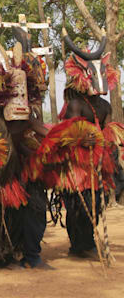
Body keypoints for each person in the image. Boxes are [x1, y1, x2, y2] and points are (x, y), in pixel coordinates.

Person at [37, 31, 120, 259]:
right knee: (77, 205)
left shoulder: (104, 106)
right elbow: (66, 134)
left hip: (95, 164)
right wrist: (82, 139)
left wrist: (103, 143)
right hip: (76, 166)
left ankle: (86, 243)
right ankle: (80, 245)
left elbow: (105, 130)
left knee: (95, 205)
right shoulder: (75, 104)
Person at [0, 35, 49, 269]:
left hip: (25, 173)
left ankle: (31, 254)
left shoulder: (29, 117)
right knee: (2, 217)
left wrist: (63, 142)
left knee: (35, 210)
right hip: (1, 177)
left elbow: (45, 135)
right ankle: (4, 255)